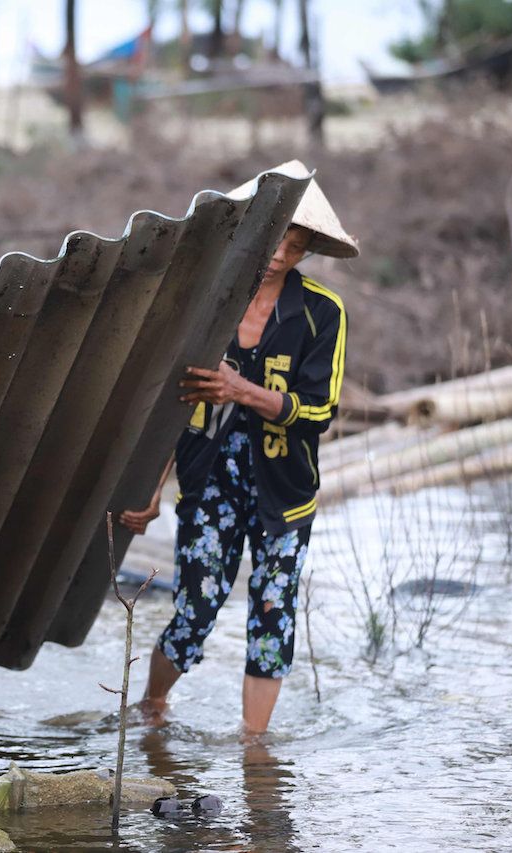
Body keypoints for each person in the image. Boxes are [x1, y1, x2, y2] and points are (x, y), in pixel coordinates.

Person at [121, 161, 358, 735]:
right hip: (209, 482)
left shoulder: (321, 313)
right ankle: (152, 710)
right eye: (276, 237)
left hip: (285, 489)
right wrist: (151, 493)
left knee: (272, 615)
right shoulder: (209, 302)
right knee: (196, 607)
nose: (281, 253)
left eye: (297, 246)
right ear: (254, 232)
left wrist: (242, 389)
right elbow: (171, 408)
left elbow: (318, 413)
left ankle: (255, 749)